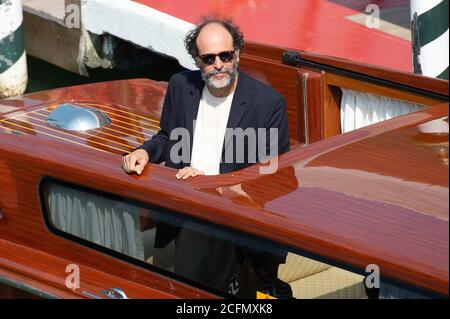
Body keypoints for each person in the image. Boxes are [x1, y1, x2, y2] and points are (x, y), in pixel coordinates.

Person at [122, 18, 290, 296]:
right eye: (209, 58)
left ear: (238, 53)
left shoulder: (268, 103)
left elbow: (275, 173)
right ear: (197, 60)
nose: (219, 64)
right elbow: (167, 137)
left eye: (226, 55)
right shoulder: (180, 85)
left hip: (236, 219)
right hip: (187, 206)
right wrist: (144, 151)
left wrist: (213, 185)